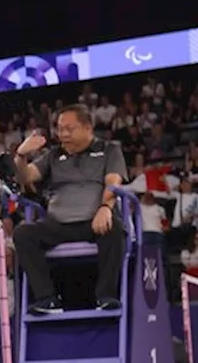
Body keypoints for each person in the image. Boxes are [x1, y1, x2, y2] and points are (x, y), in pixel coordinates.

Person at [11, 104, 128, 315]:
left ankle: (106, 297)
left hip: (94, 223)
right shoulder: (54, 155)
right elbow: (26, 177)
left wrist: (105, 207)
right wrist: (20, 156)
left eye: (69, 129)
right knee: (22, 234)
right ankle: (47, 299)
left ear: (87, 128)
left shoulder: (109, 150)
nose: (62, 134)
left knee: (115, 229)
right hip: (58, 224)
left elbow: (113, 182)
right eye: (59, 128)